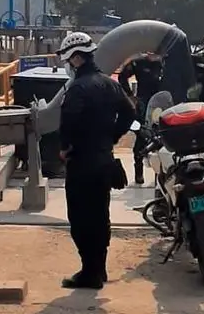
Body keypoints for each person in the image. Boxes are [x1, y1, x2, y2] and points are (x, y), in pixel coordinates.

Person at [56, 32, 136, 289]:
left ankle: (89, 272)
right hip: (104, 160)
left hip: (82, 162)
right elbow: (129, 112)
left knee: (80, 217)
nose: (70, 65)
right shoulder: (110, 84)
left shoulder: (78, 88)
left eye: (70, 61)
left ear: (77, 58)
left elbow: (69, 122)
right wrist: (112, 137)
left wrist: (65, 148)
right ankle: (99, 269)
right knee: (100, 216)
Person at [118, 52, 164, 185]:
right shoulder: (138, 62)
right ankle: (139, 173)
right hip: (143, 103)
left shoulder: (164, 63)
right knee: (141, 136)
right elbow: (122, 77)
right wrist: (130, 96)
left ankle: (160, 174)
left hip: (161, 103)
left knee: (162, 140)